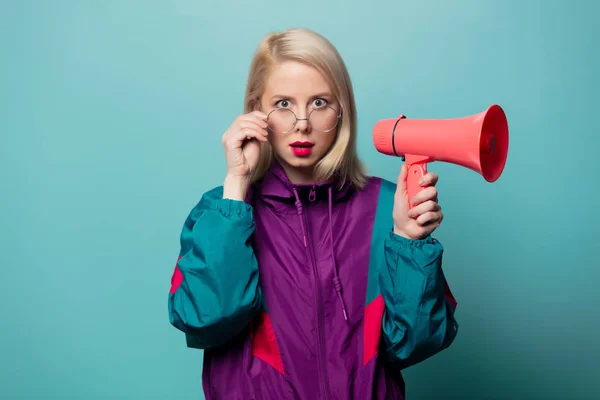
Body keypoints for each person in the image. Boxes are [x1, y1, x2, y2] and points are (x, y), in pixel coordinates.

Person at [168, 27, 458, 400]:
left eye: (320, 102)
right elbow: (204, 319)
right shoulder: (220, 210)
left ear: (342, 111)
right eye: (284, 104)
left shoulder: (388, 206)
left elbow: (414, 344)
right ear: (257, 111)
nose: (302, 123)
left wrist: (407, 240)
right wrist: (237, 187)